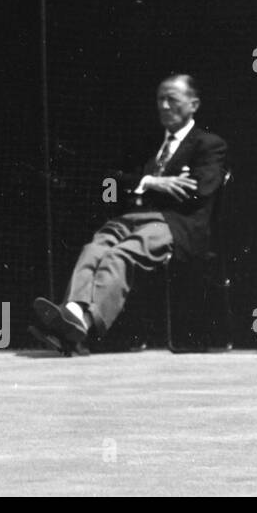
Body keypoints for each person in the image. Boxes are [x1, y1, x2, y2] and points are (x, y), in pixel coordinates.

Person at [32, 75, 228, 353]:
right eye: (159, 99)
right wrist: (154, 182)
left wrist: (141, 183)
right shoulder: (148, 143)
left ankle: (83, 327)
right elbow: (114, 179)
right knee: (94, 248)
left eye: (171, 99)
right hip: (132, 219)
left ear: (193, 104)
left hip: (174, 223)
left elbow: (198, 192)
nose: (163, 105)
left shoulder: (208, 144)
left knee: (119, 255)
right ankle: (73, 312)